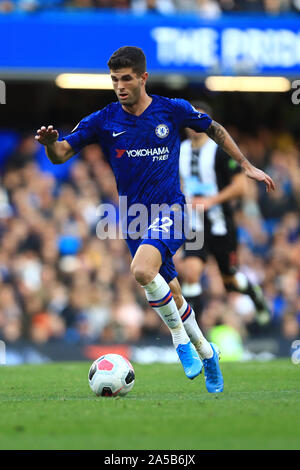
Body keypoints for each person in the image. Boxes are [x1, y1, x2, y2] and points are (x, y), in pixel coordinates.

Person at [35, 46, 275, 393]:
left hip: (173, 211)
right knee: (173, 294)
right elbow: (61, 154)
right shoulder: (103, 120)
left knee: (141, 270)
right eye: (115, 79)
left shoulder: (172, 110)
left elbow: (215, 128)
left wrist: (247, 165)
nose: (119, 86)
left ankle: (180, 343)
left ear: (143, 78)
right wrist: (49, 144)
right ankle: (207, 353)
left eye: (126, 78)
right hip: (135, 220)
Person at [179, 101, 272, 329]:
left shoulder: (220, 152)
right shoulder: (179, 150)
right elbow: (181, 183)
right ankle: (195, 332)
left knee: (229, 279)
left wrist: (211, 200)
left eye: (197, 120)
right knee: (191, 272)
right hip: (195, 223)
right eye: (189, 120)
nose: (192, 125)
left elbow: (240, 186)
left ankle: (253, 292)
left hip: (221, 223)